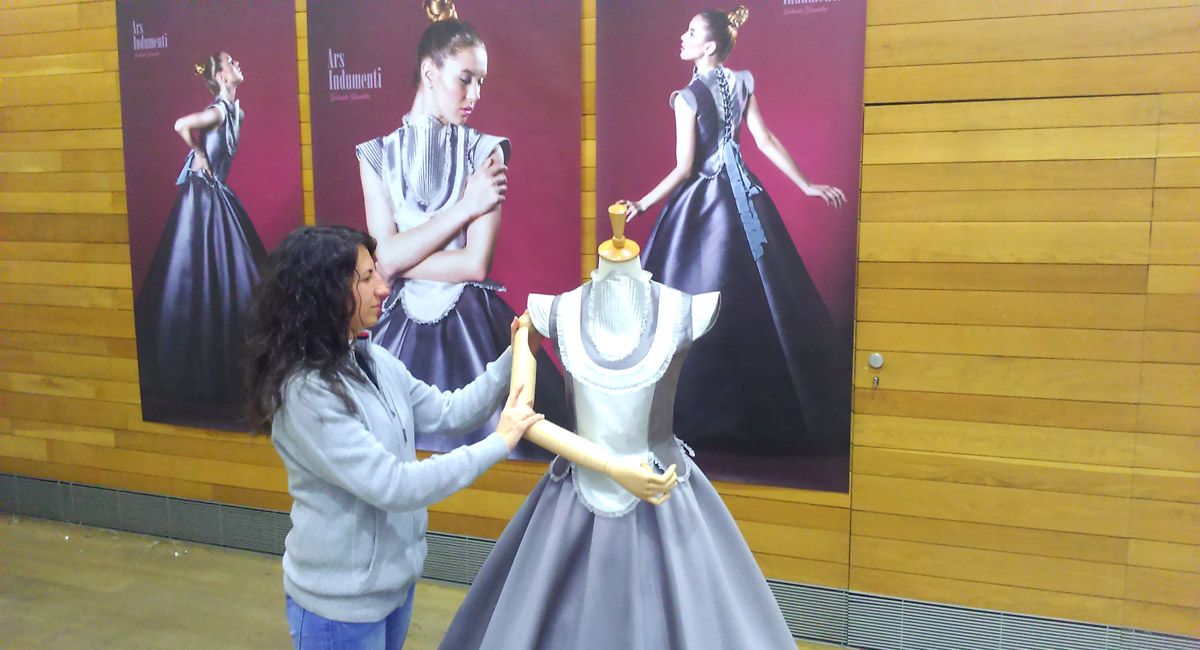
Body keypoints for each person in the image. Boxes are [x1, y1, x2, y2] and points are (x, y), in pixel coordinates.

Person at [440, 206, 795, 649]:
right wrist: (612, 467)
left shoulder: (684, 310)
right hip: (577, 493)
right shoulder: (552, 311)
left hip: (662, 490)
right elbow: (522, 419)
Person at [245, 225, 545, 650]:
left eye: (377, 274)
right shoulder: (305, 392)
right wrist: (499, 442)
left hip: (391, 591)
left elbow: (450, 410)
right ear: (323, 292)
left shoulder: (370, 358)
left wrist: (517, 351)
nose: (383, 289)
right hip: (339, 610)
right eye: (365, 279)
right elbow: (395, 485)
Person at [620, 6, 852, 457]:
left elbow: (685, 168)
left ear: (708, 46)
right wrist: (804, 185)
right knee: (758, 298)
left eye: (690, 32)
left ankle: (695, 412)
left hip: (705, 205)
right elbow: (763, 140)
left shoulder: (686, 97)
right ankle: (762, 411)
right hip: (747, 199)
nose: (681, 38)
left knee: (694, 296)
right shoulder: (743, 79)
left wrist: (642, 204)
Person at [355, 0, 572, 456]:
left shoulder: (487, 151)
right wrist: (464, 207)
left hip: (470, 325)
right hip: (397, 327)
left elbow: (473, 264)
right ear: (429, 72)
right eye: (465, 78)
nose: (474, 95)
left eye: (481, 82)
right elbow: (384, 260)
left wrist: (398, 258)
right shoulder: (374, 154)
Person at [134, 51, 266, 430]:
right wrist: (197, 155)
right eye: (230, 61)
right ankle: (195, 370)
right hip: (201, 195)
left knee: (228, 274)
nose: (237, 63)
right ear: (221, 76)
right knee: (199, 276)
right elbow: (180, 124)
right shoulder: (220, 112)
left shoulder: (236, 113)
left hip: (215, 193)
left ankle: (221, 368)